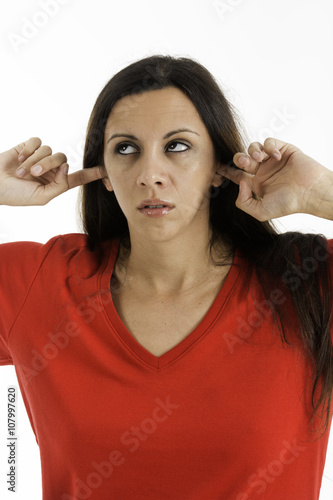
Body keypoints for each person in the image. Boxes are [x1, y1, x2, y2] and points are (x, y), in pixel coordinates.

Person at [0, 54, 332, 500]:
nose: (150, 175)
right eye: (125, 149)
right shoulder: (39, 284)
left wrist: (321, 193)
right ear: (105, 174)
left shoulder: (307, 282)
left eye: (177, 146)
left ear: (219, 168)